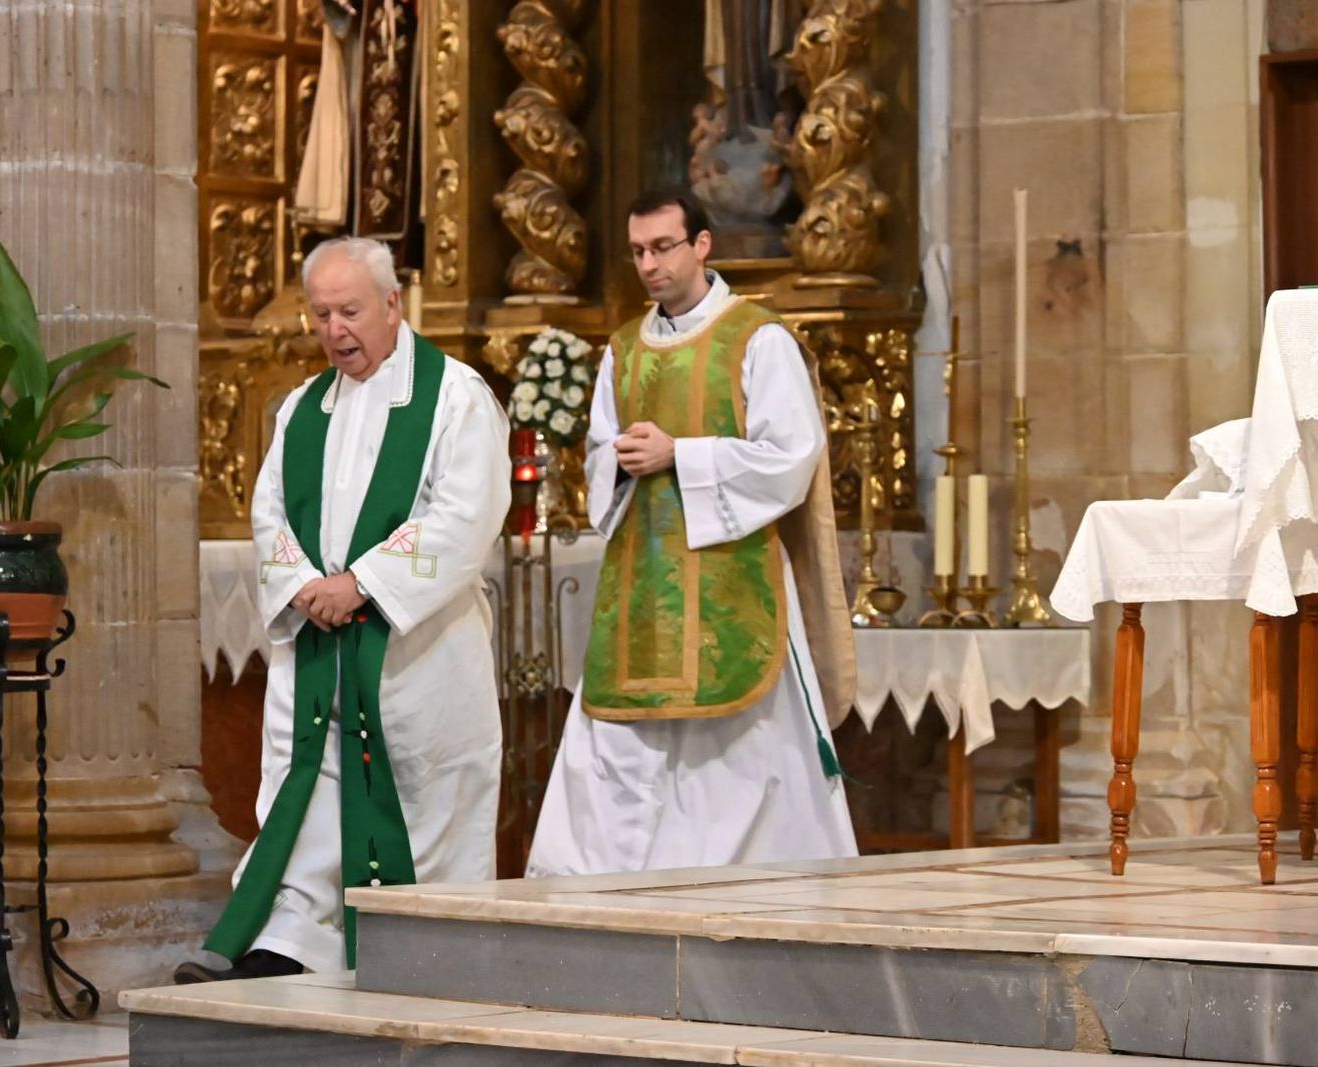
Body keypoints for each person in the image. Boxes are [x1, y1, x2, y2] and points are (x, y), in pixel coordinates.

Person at [177, 237, 511, 981]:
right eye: (322, 313)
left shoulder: (454, 397)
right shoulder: (304, 408)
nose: (335, 330)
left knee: (422, 792)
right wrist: (301, 584)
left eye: (351, 311)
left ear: (393, 305)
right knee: (314, 783)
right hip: (323, 643)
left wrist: (362, 583)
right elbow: (269, 511)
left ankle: (428, 948)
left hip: (415, 650)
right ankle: (294, 938)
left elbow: (467, 514)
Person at [527, 189, 858, 876]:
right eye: (639, 251)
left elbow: (792, 456)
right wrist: (619, 465)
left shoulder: (759, 339)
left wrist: (682, 454)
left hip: (734, 580)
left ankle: (751, 890)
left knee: (744, 753)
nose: (649, 264)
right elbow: (598, 459)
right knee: (618, 744)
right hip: (644, 582)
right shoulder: (622, 349)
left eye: (663, 247)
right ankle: (604, 889)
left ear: (702, 245)